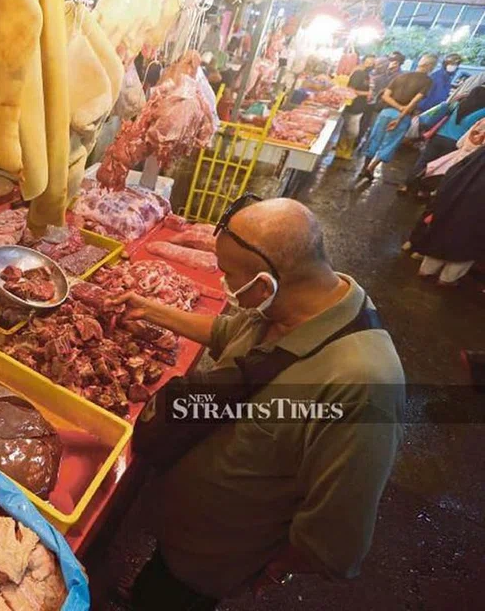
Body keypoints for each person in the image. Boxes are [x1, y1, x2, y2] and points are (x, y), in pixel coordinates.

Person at [119, 196, 405, 610]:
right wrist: (150, 311)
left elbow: (338, 539)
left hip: (213, 560)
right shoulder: (291, 302)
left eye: (229, 275)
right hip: (179, 528)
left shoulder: (362, 383)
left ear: (265, 283)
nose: (225, 285)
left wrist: (270, 570)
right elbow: (229, 332)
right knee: (154, 586)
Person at [409, 144, 485, 285]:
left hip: (454, 200)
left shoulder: (480, 152)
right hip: (478, 214)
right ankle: (447, 279)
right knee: (469, 244)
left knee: (442, 233)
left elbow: (454, 170)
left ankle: (427, 270)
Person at [360, 53, 436, 181]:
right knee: (389, 144)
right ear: (429, 66)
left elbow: (385, 96)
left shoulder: (402, 76)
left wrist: (397, 106)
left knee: (375, 139)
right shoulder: (427, 81)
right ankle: (370, 168)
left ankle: (364, 167)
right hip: (402, 116)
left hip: (385, 113)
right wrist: (400, 115)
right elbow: (414, 102)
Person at [399, 86, 485, 198]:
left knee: (423, 161)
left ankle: (406, 185)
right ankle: (423, 191)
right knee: (440, 167)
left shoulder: (458, 104)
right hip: (455, 144)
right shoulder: (483, 112)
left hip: (438, 137)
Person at [358, 51, 405, 146]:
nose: (389, 62)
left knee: (374, 126)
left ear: (398, 63)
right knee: (363, 123)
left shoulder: (400, 77)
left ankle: (367, 147)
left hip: (383, 105)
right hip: (369, 102)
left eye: (392, 60)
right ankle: (358, 142)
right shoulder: (380, 71)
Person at [343, 55, 376, 145]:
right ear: (363, 61)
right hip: (353, 107)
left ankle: (345, 151)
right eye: (368, 62)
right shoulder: (358, 73)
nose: (370, 65)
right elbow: (350, 89)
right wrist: (367, 94)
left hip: (360, 107)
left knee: (351, 130)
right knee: (352, 131)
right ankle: (341, 150)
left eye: (372, 63)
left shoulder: (367, 75)